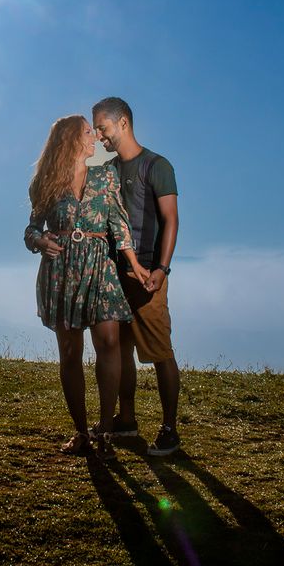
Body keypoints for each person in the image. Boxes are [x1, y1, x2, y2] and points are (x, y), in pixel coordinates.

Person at [24, 114, 149, 459]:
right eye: (86, 132)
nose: (93, 136)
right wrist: (41, 241)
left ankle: (106, 432)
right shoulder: (45, 182)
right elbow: (30, 230)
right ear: (70, 140)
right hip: (61, 271)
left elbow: (119, 224)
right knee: (69, 353)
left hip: (100, 268)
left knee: (109, 341)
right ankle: (81, 433)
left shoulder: (105, 175)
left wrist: (135, 265)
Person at [91, 97, 182, 456]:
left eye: (103, 127)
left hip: (148, 276)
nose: (99, 135)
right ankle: (126, 420)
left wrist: (162, 269)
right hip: (113, 276)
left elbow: (171, 220)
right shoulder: (109, 169)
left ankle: (170, 430)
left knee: (160, 352)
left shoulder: (157, 166)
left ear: (123, 122)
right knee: (121, 351)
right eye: (96, 129)